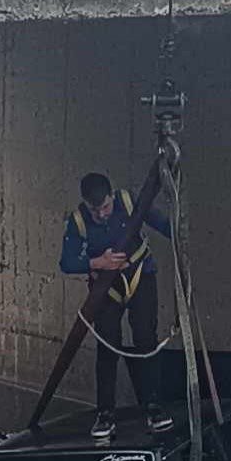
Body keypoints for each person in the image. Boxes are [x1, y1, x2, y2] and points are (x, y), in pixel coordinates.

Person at [59, 171, 176, 439]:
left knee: (146, 338)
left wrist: (180, 233)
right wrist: (95, 263)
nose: (101, 214)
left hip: (139, 276)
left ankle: (153, 407)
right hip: (106, 288)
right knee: (108, 345)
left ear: (112, 197)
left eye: (105, 207)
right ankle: (105, 413)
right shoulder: (78, 222)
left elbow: (162, 224)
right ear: (86, 205)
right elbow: (66, 262)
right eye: (95, 209)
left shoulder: (128, 202)